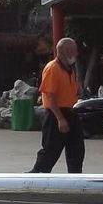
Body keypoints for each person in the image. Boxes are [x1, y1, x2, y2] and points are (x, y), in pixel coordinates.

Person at [30, 38, 84, 173]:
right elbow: (49, 95)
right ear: (67, 51)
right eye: (75, 50)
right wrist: (60, 119)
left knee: (77, 150)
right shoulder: (53, 68)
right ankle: (37, 176)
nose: (76, 54)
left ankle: (75, 178)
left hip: (72, 112)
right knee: (51, 151)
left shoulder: (70, 69)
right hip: (56, 114)